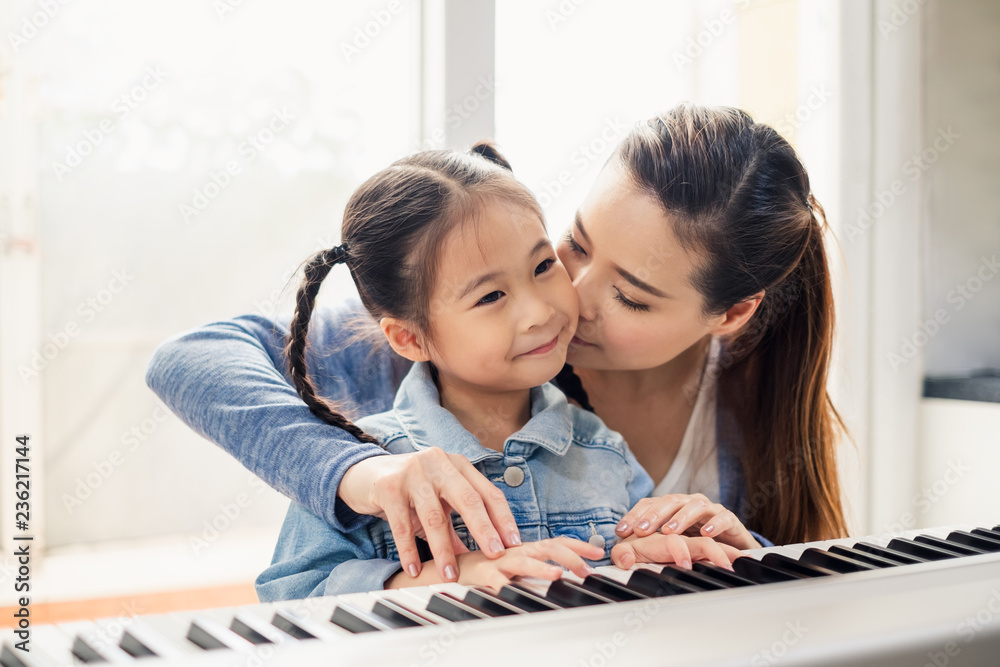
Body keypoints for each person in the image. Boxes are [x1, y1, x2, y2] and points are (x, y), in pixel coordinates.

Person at [146, 104, 848, 585]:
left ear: (730, 313)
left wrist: (742, 556)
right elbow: (189, 359)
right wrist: (360, 472)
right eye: (573, 244)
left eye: (631, 295)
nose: (563, 296)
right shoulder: (447, 342)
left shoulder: (756, 397)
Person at [246, 143, 743, 599]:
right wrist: (445, 579)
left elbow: (626, 570)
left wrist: (660, 553)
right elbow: (289, 595)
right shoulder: (367, 469)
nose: (539, 311)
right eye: (491, 296)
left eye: (544, 266)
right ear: (410, 339)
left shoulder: (602, 448)